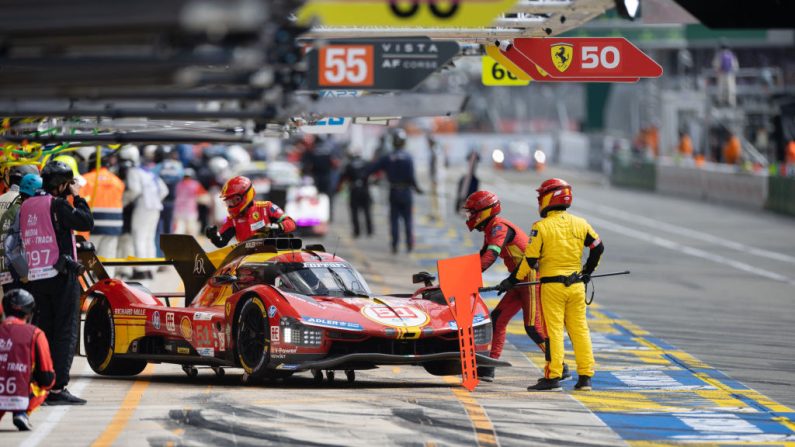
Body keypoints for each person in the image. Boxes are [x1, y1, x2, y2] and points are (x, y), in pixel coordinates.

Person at [498, 178, 603, 392]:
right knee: (580, 330)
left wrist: (511, 281)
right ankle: (585, 378)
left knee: (554, 331)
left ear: (548, 198)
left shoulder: (541, 227)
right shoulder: (581, 223)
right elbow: (598, 248)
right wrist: (587, 273)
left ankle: (553, 376)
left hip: (552, 287)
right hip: (576, 286)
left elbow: (529, 259)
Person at [463, 191, 569, 383]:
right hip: (518, 279)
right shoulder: (491, 229)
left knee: (532, 327)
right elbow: (482, 257)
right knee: (497, 319)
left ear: (484, 212)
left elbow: (490, 257)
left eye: (472, 212)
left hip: (529, 277)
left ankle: (560, 366)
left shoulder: (499, 228)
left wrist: (465, 279)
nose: (469, 217)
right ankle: (488, 366)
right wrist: (462, 276)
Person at [20, 161, 93, 404]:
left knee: (44, 330)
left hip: (36, 276)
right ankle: (57, 387)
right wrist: (78, 198)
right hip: (60, 276)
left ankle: (42, 383)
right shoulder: (58, 204)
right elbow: (85, 222)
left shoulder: (27, 205)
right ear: (62, 185)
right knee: (65, 332)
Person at [0, 289, 55, 431]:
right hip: (18, 395)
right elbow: (47, 376)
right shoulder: (36, 334)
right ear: (29, 313)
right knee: (48, 382)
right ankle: (22, 413)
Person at [368, 129, 422, 254]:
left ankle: (395, 245)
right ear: (403, 142)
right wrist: (417, 188)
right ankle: (409, 245)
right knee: (408, 220)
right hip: (406, 192)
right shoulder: (408, 157)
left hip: (394, 191)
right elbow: (411, 177)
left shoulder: (388, 157)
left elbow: (373, 168)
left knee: (394, 220)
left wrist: (369, 179)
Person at [118, 145, 168, 279]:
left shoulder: (134, 171)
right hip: (155, 207)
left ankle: (140, 270)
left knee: (139, 237)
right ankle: (150, 269)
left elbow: (135, 190)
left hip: (142, 207)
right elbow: (164, 190)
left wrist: (122, 202)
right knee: (149, 238)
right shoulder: (148, 171)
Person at [205, 176, 296, 247]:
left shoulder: (266, 207)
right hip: (248, 260)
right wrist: (214, 236)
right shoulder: (232, 220)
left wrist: (277, 227)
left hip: (271, 254)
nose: (231, 205)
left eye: (234, 200)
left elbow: (291, 223)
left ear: (246, 196)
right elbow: (221, 242)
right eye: (229, 202)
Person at [80, 150, 125, 276]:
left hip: (93, 225)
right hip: (114, 225)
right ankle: (108, 289)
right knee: (108, 259)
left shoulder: (85, 180)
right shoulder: (117, 181)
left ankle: (88, 287)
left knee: (88, 259)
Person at [2, 174, 42, 290]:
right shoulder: (20, 211)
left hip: (19, 270)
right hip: (19, 273)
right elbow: (11, 247)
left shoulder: (20, 208)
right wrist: (25, 273)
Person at [338, 150, 373, 238]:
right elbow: (372, 173)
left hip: (354, 190)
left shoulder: (349, 165)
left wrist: (339, 188)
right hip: (365, 190)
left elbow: (343, 177)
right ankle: (369, 230)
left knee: (354, 212)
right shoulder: (366, 163)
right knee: (367, 211)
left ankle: (357, 231)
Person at [173, 168, 209, 237]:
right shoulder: (195, 184)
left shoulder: (178, 184)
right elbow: (204, 197)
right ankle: (191, 246)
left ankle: (178, 245)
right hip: (190, 210)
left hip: (178, 210)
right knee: (191, 231)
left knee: (179, 230)